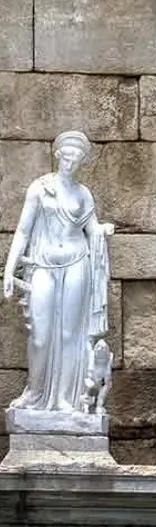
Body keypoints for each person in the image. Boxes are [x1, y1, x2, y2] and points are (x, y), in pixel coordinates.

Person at [2, 130, 113, 416]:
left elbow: (92, 230)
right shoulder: (40, 188)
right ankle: (35, 392)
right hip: (43, 265)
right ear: (58, 155)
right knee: (39, 333)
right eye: (67, 155)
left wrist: (103, 231)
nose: (71, 161)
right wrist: (9, 271)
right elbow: (24, 230)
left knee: (69, 335)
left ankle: (65, 398)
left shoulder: (83, 194)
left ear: (82, 161)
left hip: (77, 263)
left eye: (77, 157)